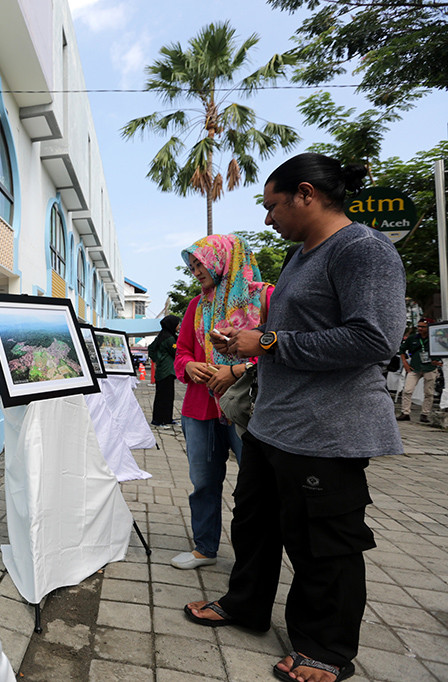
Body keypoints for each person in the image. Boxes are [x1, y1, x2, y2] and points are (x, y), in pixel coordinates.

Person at [185, 153, 406, 682]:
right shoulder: (300, 256)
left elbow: (375, 338)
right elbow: (287, 337)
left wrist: (264, 340)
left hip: (326, 429)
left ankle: (325, 649)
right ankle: (246, 605)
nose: (267, 219)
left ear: (306, 194)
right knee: (255, 523)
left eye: (272, 205)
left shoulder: (362, 250)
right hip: (273, 422)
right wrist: (249, 351)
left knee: (322, 543)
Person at [171, 234, 273, 571]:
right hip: (201, 408)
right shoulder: (196, 306)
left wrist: (238, 369)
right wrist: (189, 365)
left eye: (200, 262)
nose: (196, 270)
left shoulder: (263, 297)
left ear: (222, 260)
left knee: (255, 486)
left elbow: (280, 348)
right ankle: (205, 548)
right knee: (203, 482)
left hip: (249, 408)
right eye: (192, 265)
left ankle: (254, 558)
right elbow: (181, 351)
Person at [397, 317, 442, 423]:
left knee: (429, 392)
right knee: (407, 390)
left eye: (423, 327)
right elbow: (402, 350)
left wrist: (438, 362)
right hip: (415, 367)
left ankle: (425, 414)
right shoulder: (412, 338)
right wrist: (405, 364)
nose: (420, 328)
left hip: (430, 367)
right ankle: (405, 412)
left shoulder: (435, 339)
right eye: (419, 326)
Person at [147, 315, 180, 425]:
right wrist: (160, 359)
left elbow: (151, 349)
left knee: (165, 396)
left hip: (163, 370)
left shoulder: (162, 336)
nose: (179, 326)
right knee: (165, 397)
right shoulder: (170, 339)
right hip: (167, 371)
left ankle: (166, 419)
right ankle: (158, 420)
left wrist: (157, 359)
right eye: (177, 324)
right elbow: (177, 353)